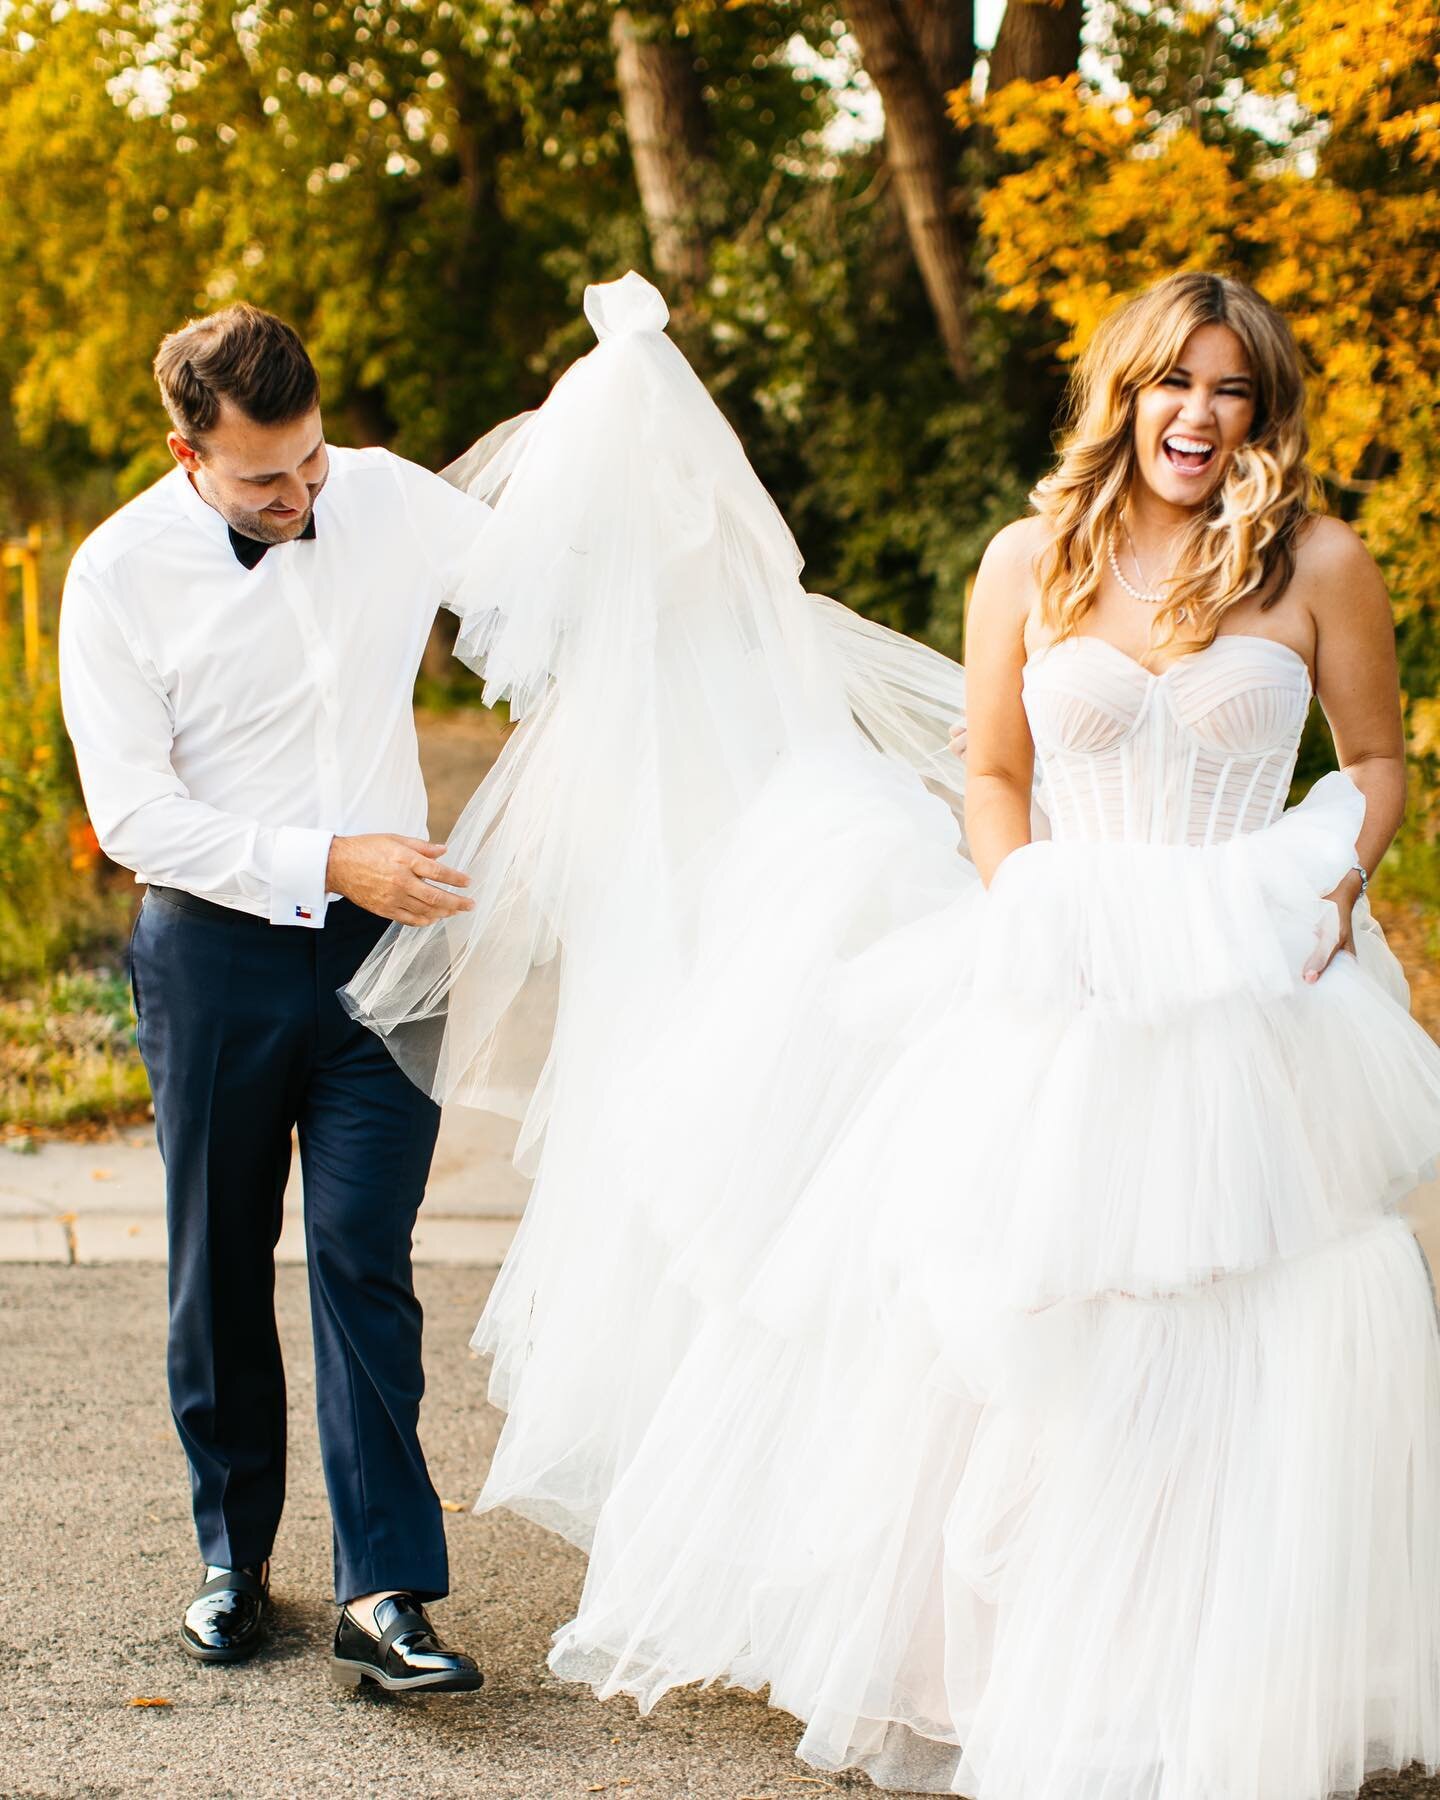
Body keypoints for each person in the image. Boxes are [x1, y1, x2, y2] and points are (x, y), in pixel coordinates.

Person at [344, 269, 1440, 1794]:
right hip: (1067, 974)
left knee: (1252, 1323)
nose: (1200, 415)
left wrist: (1333, 876)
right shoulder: (1030, 561)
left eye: (1233, 388)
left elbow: (1378, 759)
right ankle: (1050, 1667)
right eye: (1172, 384)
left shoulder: (1319, 560)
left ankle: (1223, 1676)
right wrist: (1028, 902)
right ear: (1122, 397)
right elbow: (992, 773)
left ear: (1264, 410)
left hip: (1261, 981)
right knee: (1047, 1327)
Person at [59, 302, 486, 1692]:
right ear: (187, 454)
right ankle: (234, 1561)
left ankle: (387, 1595)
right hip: (214, 955)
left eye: (309, 463)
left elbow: (553, 589)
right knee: (218, 1261)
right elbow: (134, 817)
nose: (302, 499)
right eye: (265, 481)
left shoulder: (383, 496)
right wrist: (325, 859)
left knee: (364, 1257)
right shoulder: (117, 575)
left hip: (386, 960)